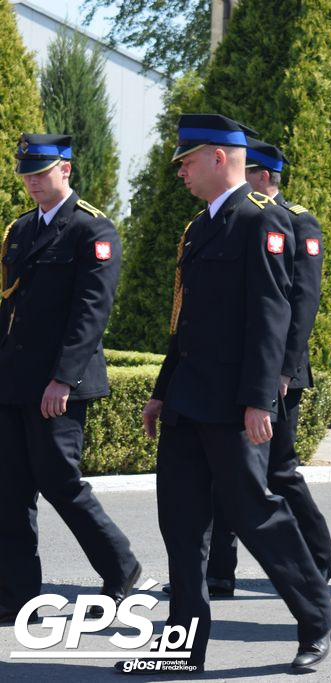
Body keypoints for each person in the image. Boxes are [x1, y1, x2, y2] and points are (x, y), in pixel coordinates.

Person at [139, 114, 331, 673]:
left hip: (231, 404)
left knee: (256, 514)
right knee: (181, 525)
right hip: (186, 402)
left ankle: (316, 618)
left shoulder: (262, 223)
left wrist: (259, 402)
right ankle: (183, 645)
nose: (180, 172)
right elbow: (186, 323)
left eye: (188, 161)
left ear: (220, 158)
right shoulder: (199, 228)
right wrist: (160, 391)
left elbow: (272, 317)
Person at [0, 134, 140, 624]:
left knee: (61, 482)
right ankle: (17, 594)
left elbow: (90, 313)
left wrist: (62, 379)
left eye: (41, 173)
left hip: (58, 383)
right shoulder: (19, 231)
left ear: (66, 170)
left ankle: (121, 568)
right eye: (27, 174)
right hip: (15, 381)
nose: (33, 182)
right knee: (10, 488)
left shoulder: (91, 230)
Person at [199, 138, 331, 596]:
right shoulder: (229, 221)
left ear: (262, 176)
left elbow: (300, 304)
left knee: (279, 470)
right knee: (225, 470)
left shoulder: (298, 223)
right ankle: (219, 571)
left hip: (279, 374)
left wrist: (282, 370)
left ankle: (319, 559)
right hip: (238, 372)